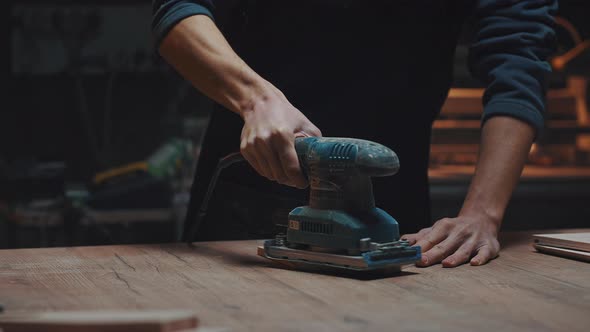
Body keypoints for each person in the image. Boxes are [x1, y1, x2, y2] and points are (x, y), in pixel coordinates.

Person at [151, 0, 557, 267]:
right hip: (247, 200)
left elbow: (519, 58)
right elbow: (177, 9)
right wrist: (256, 100)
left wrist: (481, 215)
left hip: (392, 210)